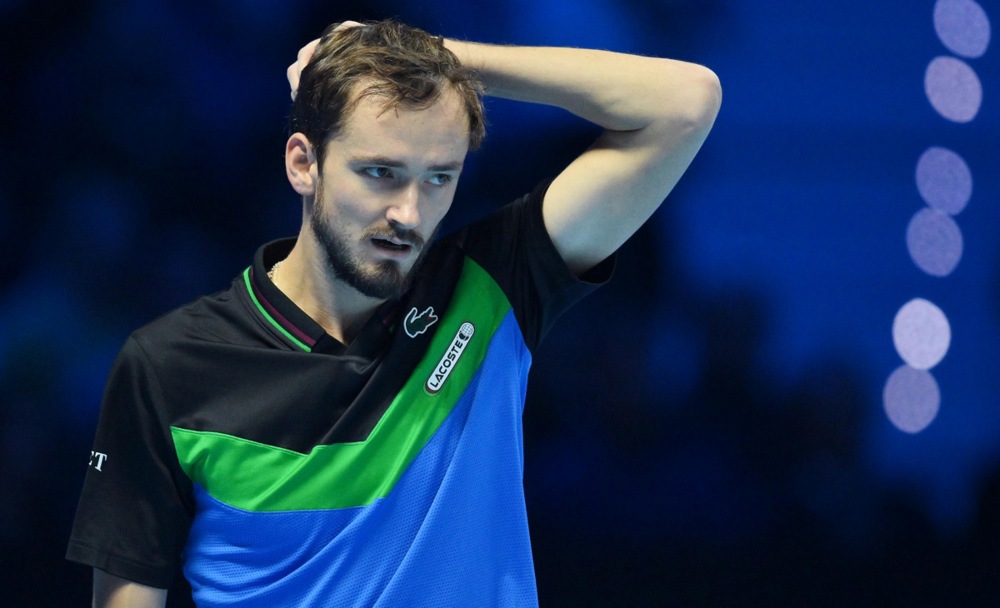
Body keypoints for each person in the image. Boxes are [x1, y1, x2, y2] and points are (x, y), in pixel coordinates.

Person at [67, 18, 720, 607]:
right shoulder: (165, 367)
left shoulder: (490, 287)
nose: (409, 214)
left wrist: (441, 58)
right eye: (380, 172)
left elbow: (685, 103)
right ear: (304, 163)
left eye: (439, 177)